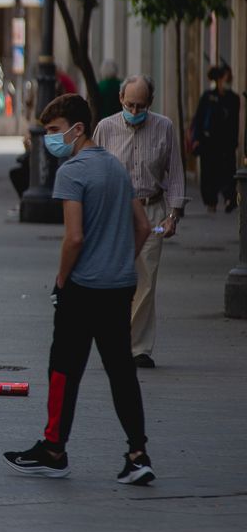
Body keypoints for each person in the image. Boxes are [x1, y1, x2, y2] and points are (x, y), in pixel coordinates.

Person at [3, 94, 155, 486]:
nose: (50, 139)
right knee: (121, 370)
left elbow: (74, 237)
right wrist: (122, 259)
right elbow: (141, 227)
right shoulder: (117, 168)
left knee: (63, 369)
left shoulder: (72, 172)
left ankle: (54, 448)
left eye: (54, 131)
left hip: (82, 288)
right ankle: (137, 453)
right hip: (119, 286)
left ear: (78, 128)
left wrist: (61, 279)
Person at [93, 75, 186, 369]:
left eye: (141, 106)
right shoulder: (105, 129)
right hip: (116, 212)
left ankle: (137, 348)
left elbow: (175, 175)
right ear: (121, 99)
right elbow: (94, 175)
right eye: (130, 105)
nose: (134, 111)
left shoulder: (164, 127)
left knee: (145, 280)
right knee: (117, 280)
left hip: (152, 210)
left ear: (150, 103)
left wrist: (174, 215)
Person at [191, 65, 240, 214]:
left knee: (228, 173)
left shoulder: (233, 99)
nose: (228, 81)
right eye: (226, 78)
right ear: (219, 79)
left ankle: (229, 199)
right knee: (209, 174)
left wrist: (234, 142)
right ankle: (211, 202)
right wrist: (196, 139)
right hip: (208, 143)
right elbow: (198, 119)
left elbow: (235, 123)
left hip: (226, 144)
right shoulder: (208, 97)